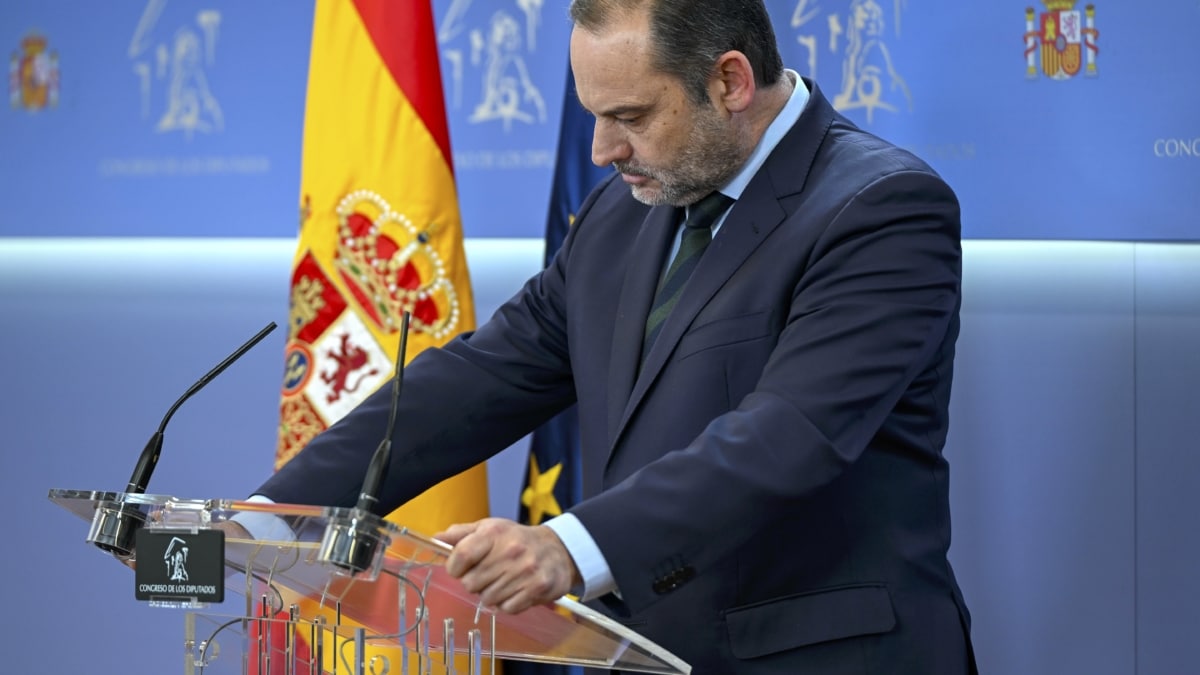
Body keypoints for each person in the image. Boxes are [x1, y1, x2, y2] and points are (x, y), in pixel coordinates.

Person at [248, 0, 976, 672]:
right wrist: (271, 519)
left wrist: (567, 547)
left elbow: (788, 433)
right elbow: (482, 377)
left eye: (629, 115)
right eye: (591, 115)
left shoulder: (881, 208)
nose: (601, 150)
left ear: (730, 81)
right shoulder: (618, 218)